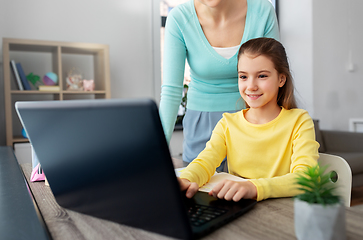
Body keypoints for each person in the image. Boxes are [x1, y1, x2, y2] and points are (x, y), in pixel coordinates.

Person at [178, 37, 320, 202]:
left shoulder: (299, 121)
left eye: (261, 76)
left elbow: (306, 179)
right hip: (238, 209)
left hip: (283, 211)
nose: (251, 86)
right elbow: (205, 161)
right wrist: (186, 179)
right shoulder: (227, 124)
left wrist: (253, 187)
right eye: (243, 77)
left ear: (281, 79)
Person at [159, 0, 280, 169]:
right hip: (201, 124)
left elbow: (274, 78)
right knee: (199, 188)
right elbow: (171, 92)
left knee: (253, 189)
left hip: (254, 119)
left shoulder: (262, 11)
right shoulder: (180, 18)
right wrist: (156, 154)